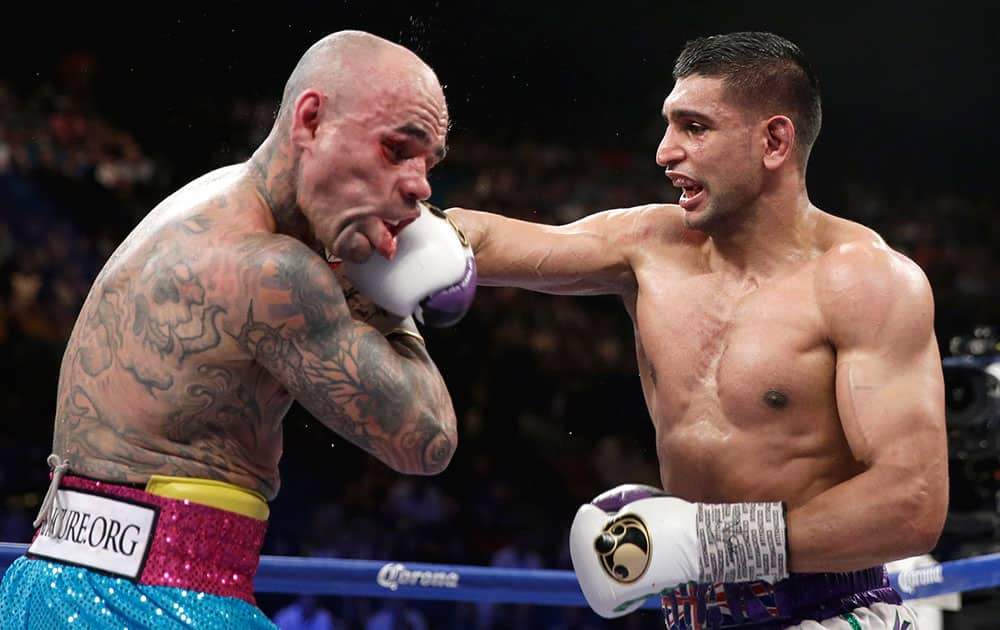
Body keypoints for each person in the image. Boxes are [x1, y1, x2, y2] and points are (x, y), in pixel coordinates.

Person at [448, 31, 948, 629]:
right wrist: (400, 232)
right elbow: (491, 240)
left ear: (773, 140)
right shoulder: (649, 246)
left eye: (694, 127)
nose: (663, 152)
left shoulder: (864, 281)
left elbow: (911, 505)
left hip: (831, 610)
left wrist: (704, 540)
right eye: (668, 124)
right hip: (690, 615)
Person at [0, 30, 474, 628]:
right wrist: (396, 297)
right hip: (157, 600)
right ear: (311, 120)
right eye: (396, 149)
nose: (419, 185)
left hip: (52, 584)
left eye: (428, 162)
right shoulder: (270, 269)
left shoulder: (209, 200)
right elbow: (426, 440)